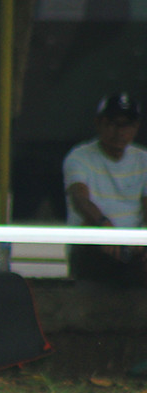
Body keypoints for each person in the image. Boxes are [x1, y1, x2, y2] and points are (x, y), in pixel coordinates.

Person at [63, 92, 147, 285]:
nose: (119, 131)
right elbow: (80, 199)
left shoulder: (143, 159)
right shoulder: (79, 157)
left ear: (136, 127)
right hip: (94, 246)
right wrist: (104, 227)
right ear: (98, 123)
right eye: (112, 124)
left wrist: (141, 241)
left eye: (127, 125)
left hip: (133, 249)